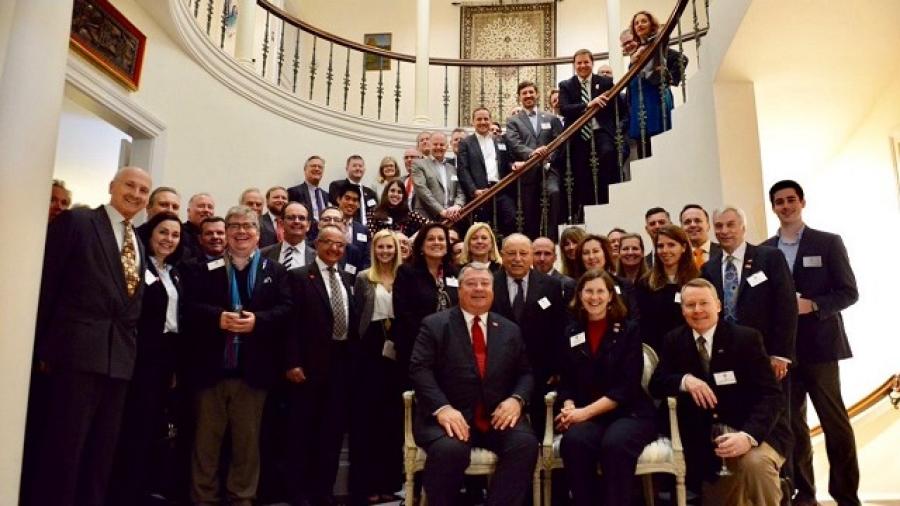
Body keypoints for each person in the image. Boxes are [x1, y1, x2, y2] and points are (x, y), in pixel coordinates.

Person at [29, 167, 152, 505]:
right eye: (130, 185)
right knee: (63, 450)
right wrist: (41, 348)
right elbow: (47, 286)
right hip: (76, 356)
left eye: (143, 190)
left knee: (101, 455)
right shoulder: (78, 222)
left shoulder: (138, 242)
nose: (136, 194)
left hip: (119, 363)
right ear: (112, 186)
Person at [182, 205, 292, 506]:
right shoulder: (202, 268)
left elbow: (286, 311)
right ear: (226, 232)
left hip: (253, 373)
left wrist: (258, 321)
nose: (242, 231)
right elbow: (188, 308)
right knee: (205, 443)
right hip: (211, 370)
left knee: (247, 444)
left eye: (248, 226)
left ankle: (242, 498)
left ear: (259, 233)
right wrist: (217, 318)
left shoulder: (275, 271)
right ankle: (203, 498)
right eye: (235, 226)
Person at [649, 278, 791, 505]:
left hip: (755, 431)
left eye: (703, 303)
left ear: (718, 305)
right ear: (682, 309)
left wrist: (748, 437)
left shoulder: (746, 338)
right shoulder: (674, 340)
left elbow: (772, 396)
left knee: (754, 464)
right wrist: (685, 381)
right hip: (709, 444)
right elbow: (657, 384)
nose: (697, 310)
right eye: (690, 305)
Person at [762, 180, 861, 506]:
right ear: (773, 207)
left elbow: (849, 292)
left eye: (791, 199)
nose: (786, 206)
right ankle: (804, 496)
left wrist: (814, 305)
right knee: (792, 426)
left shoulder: (828, 242)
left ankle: (846, 496)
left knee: (835, 424)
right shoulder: (765, 250)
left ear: (802, 202)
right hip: (784, 353)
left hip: (820, 348)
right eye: (779, 201)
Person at [409, 262, 538, 506]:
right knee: (450, 451)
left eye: (484, 283)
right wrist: (442, 408)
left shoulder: (510, 329)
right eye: (471, 283)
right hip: (448, 417)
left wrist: (516, 400)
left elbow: (526, 373)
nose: (479, 288)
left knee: (525, 444)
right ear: (459, 289)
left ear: (493, 289)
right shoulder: (435, 325)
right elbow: (419, 370)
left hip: (496, 417)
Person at [555, 269, 657, 506]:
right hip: (588, 415)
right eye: (588, 291)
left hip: (629, 413)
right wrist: (569, 407)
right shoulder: (571, 331)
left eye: (600, 291)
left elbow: (627, 386)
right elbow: (566, 381)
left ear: (611, 295)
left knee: (615, 444)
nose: (594, 297)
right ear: (580, 295)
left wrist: (583, 413)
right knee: (574, 442)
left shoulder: (629, 330)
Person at [108, 211, 184, 505]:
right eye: (163, 232)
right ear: (150, 234)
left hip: (167, 356)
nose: (169, 239)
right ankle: (123, 492)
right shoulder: (138, 267)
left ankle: (143, 488)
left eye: (175, 235)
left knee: (153, 425)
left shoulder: (173, 272)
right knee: (133, 426)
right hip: (140, 356)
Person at [285, 224, 359, 506]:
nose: (334, 248)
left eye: (340, 245)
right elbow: (290, 325)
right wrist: (292, 361)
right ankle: (299, 492)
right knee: (302, 432)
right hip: (307, 366)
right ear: (316, 244)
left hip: (340, 366)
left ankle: (323, 491)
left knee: (332, 432)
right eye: (329, 242)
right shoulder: (299, 276)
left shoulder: (346, 277)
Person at [701, 205, 797, 380]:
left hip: (766, 353)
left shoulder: (770, 257)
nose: (724, 231)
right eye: (719, 226)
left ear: (743, 227)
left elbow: (786, 306)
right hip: (726, 356)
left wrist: (781, 354)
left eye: (731, 225)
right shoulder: (709, 268)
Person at [350, 229, 405, 505]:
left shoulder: (404, 277)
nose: (385, 251)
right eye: (380, 247)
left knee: (391, 421)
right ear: (374, 250)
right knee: (367, 421)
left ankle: (388, 483)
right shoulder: (363, 278)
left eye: (389, 247)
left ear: (396, 250)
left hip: (397, 348)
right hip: (370, 349)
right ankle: (366, 486)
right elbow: (357, 315)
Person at [491, 234, 565, 435]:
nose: (517, 259)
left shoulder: (550, 285)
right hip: (499, 372)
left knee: (541, 430)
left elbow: (559, 328)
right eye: (511, 253)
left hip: (541, 372)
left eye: (523, 253)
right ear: (502, 255)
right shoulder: (489, 283)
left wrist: (557, 368)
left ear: (531, 255)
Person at [393, 223, 459, 377]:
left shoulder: (455, 273)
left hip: (451, 348)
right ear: (421, 246)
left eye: (441, 239)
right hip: (417, 346)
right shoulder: (407, 272)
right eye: (430, 239)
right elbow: (403, 312)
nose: (436, 242)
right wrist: (430, 338)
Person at [558, 48, 619, 214]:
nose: (583, 66)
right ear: (574, 65)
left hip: (601, 131)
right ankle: (587, 212)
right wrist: (588, 105)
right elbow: (564, 109)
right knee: (581, 174)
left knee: (608, 156)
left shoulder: (605, 82)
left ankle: (608, 203)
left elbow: (616, 108)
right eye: (579, 63)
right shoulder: (566, 85)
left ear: (592, 63)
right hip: (578, 136)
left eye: (586, 62)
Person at [505, 80, 565, 239]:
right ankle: (530, 244)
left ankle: (551, 238)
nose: (528, 95)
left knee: (554, 193)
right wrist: (533, 154)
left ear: (537, 94)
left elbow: (559, 142)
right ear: (519, 97)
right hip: (527, 171)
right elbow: (514, 144)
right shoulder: (513, 121)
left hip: (549, 169)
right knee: (529, 210)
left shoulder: (551, 118)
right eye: (524, 93)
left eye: (531, 92)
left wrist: (550, 158)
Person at [627, 10, 688, 158]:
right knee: (643, 144)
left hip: (655, 99)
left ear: (651, 24)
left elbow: (682, 59)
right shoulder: (636, 51)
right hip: (639, 102)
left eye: (643, 21)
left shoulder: (658, 45)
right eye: (636, 23)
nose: (639, 25)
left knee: (659, 141)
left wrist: (670, 78)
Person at [635, 224, 699, 352]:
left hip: (689, 349)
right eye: (660, 246)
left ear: (683, 247)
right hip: (656, 351)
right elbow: (642, 322)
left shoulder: (698, 280)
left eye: (671, 245)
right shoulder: (646, 283)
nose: (665, 250)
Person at [457, 107, 516, 235]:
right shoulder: (466, 143)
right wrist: (474, 190)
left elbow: (508, 162)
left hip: (500, 189)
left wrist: (514, 165)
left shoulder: (500, 141)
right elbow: (463, 170)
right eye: (479, 119)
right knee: (483, 228)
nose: (483, 122)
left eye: (486, 119)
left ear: (490, 120)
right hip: (480, 193)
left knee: (511, 218)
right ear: (473, 122)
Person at [573, 234, 638, 316]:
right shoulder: (573, 287)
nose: (591, 257)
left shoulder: (624, 285)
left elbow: (634, 317)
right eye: (586, 253)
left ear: (605, 254)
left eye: (596, 251)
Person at [412, 131, 466, 222]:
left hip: (451, 219)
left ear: (447, 147)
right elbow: (423, 191)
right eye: (435, 144)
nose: (438, 147)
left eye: (442, 145)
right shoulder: (418, 165)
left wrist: (457, 205)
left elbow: (460, 191)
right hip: (427, 217)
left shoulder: (453, 169)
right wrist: (441, 211)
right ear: (429, 145)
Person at [260, 201, 315, 270]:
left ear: (308, 225)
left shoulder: (317, 257)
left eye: (301, 218)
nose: (297, 221)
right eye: (291, 218)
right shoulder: (263, 254)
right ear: (281, 223)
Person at [319, 205, 370, 276]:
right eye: (326, 219)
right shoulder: (309, 250)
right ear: (318, 224)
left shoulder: (353, 252)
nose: (332, 223)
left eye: (337, 220)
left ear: (344, 225)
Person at [328, 155, 379, 225]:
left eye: (360, 166)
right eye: (354, 166)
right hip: (346, 226)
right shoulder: (337, 186)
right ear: (347, 168)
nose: (358, 168)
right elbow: (336, 209)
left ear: (364, 169)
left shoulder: (371, 193)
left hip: (368, 229)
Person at [532, 236, 576, 302]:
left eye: (547, 254)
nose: (542, 258)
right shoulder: (522, 282)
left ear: (555, 257)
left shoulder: (566, 284)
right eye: (537, 253)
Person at [287, 155, 330, 223]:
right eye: (313, 166)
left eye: (320, 167)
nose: (317, 169)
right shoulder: (293, 192)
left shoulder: (326, 195)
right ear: (305, 169)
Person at [680, 203, 720, 268]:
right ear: (681, 228)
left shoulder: (723, 251)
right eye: (687, 222)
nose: (693, 225)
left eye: (697, 221)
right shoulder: (677, 256)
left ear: (708, 225)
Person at [182, 193, 216, 261]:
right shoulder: (180, 233)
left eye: (210, 207)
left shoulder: (217, 236)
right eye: (201, 206)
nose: (206, 210)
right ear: (189, 211)